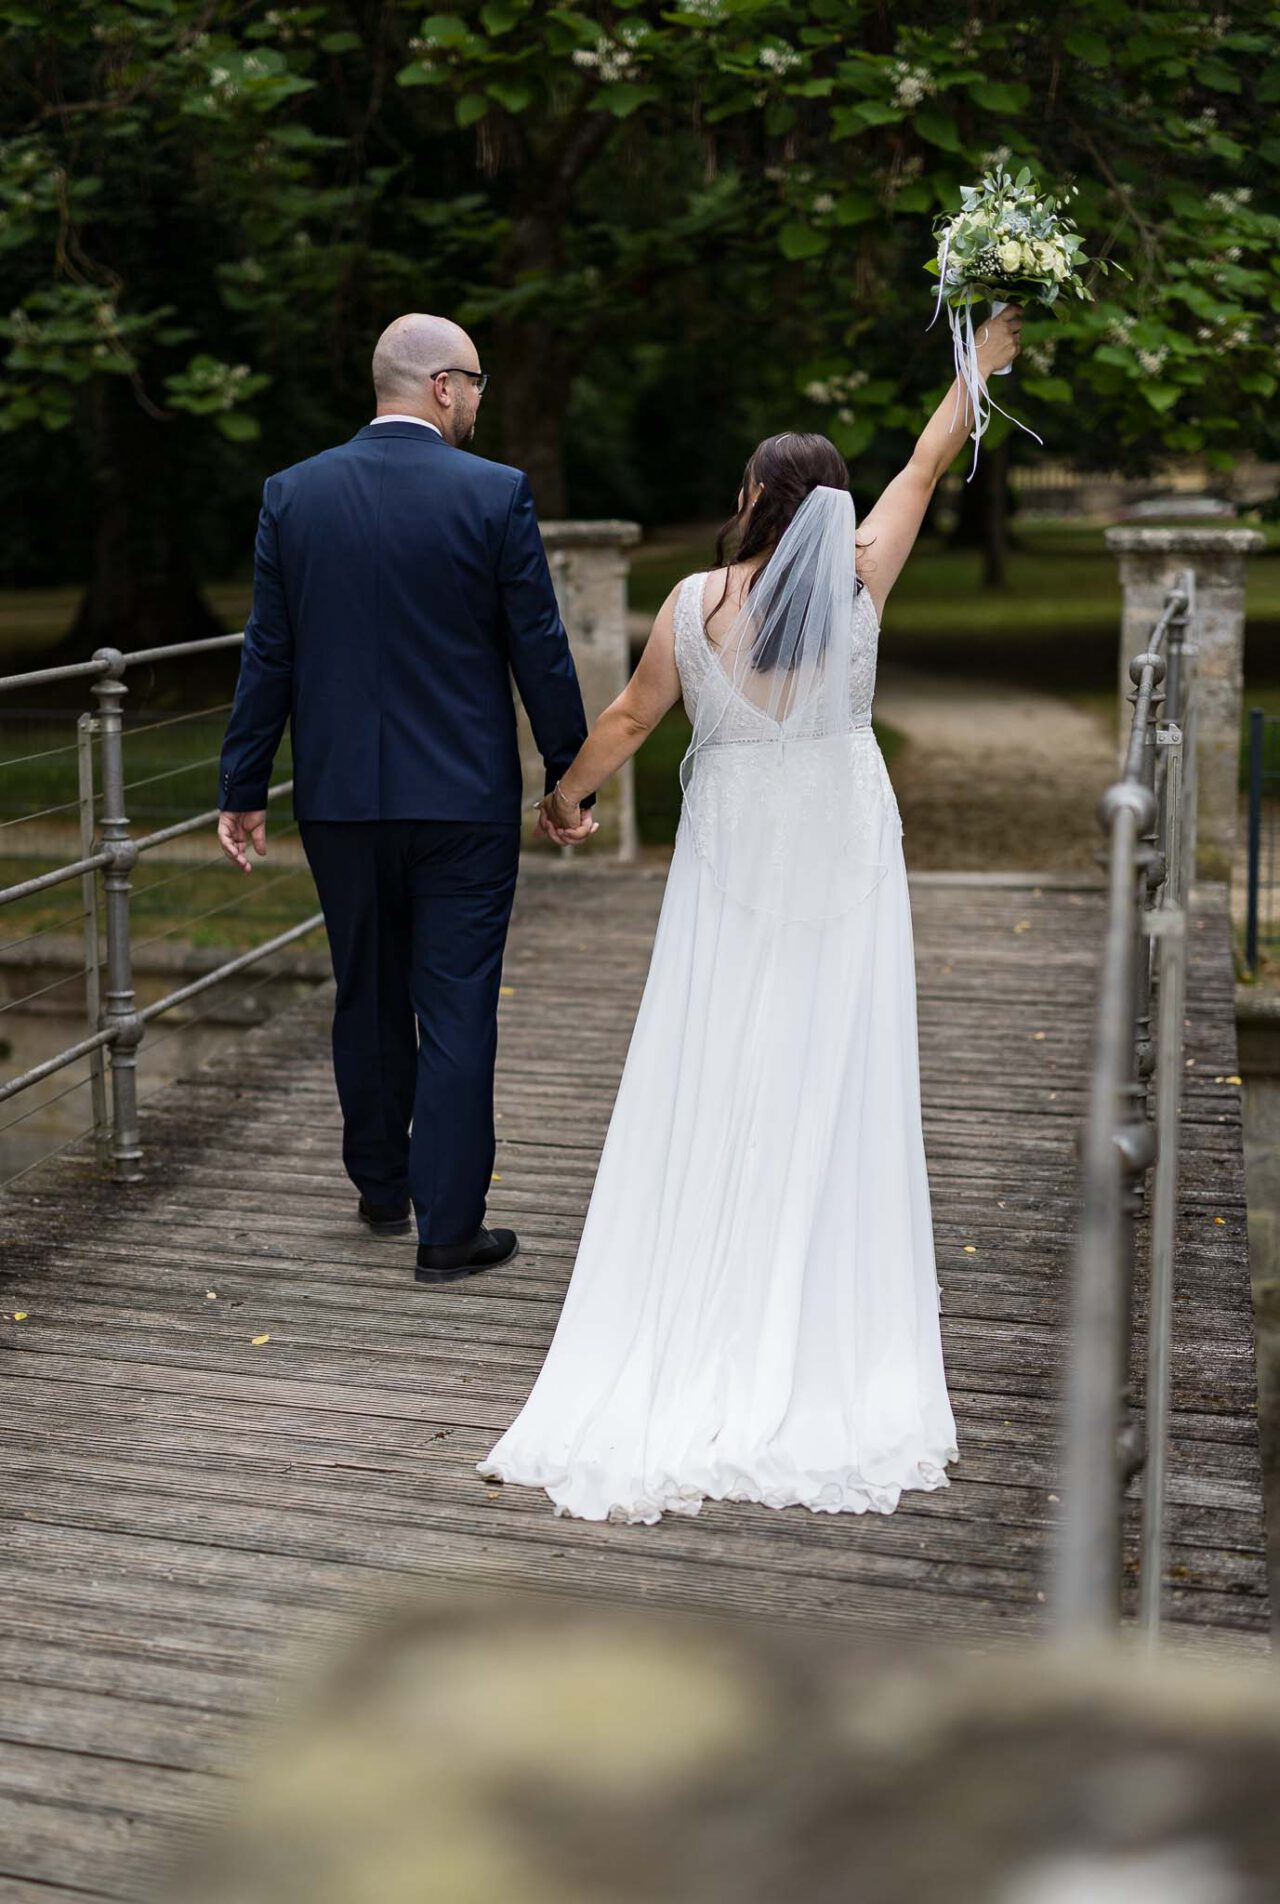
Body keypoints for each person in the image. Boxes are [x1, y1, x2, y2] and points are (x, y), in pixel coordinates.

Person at [479, 306, 1024, 1523]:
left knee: (717, 1050)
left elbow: (628, 718)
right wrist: (974, 361)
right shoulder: (860, 577)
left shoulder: (691, 602)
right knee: (829, 1055)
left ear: (748, 498)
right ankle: (814, 1285)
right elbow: (927, 456)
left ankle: (702, 1277)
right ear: (827, 506)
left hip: (731, 861)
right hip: (839, 853)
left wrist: (561, 799)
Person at [216, 313, 594, 1283]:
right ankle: (448, 1231)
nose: (479, 402)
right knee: (457, 1006)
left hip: (341, 797)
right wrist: (570, 774)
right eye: (476, 383)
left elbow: (269, 651)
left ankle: (383, 1187)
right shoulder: (494, 493)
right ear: (441, 386)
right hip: (463, 801)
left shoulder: (293, 494)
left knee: (368, 990)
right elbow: (539, 647)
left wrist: (243, 783)